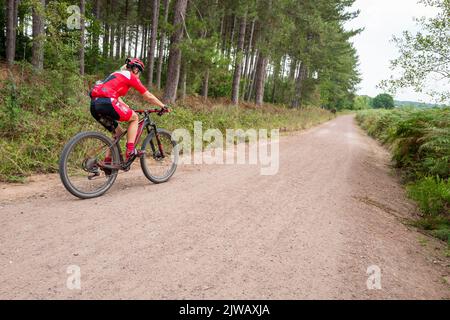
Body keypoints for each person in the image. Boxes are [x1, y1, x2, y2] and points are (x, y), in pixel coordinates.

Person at [89, 58, 167, 163]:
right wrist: (163, 106)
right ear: (135, 69)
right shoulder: (130, 76)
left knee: (118, 133)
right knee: (135, 118)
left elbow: (115, 96)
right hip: (108, 102)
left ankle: (107, 162)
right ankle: (130, 150)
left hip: (94, 104)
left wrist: (127, 107)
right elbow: (148, 96)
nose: (138, 75)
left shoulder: (116, 74)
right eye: (139, 72)